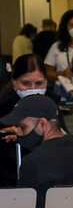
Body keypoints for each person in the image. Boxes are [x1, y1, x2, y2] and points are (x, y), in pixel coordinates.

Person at [0, 55, 50, 189]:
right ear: (14, 83)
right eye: (26, 83)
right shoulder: (4, 109)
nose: (33, 88)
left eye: (39, 83)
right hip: (10, 182)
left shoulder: (51, 106)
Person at [44, 10, 73, 83]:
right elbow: (47, 73)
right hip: (63, 89)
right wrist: (62, 74)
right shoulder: (56, 46)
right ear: (65, 27)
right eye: (72, 25)